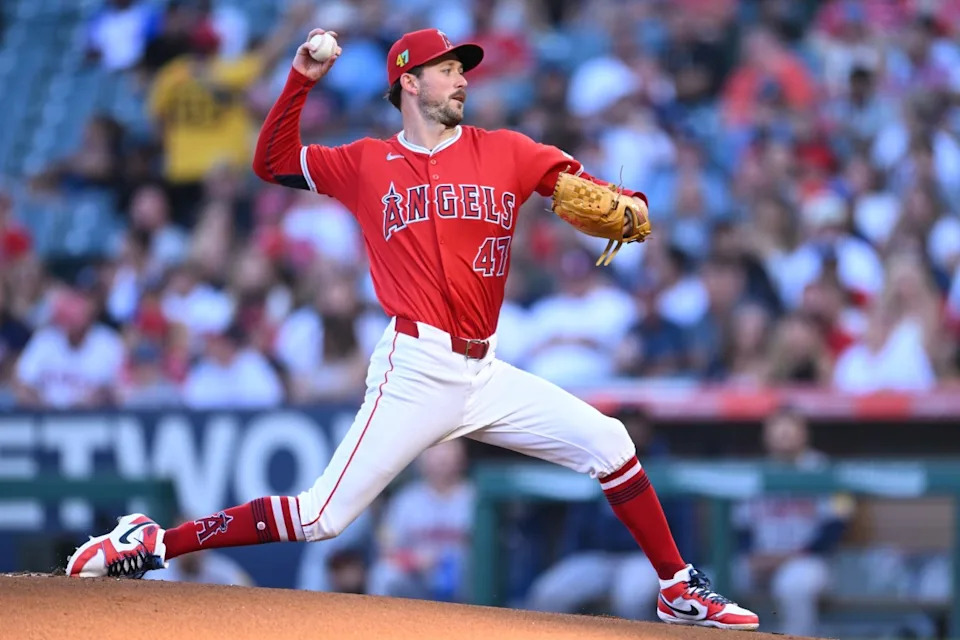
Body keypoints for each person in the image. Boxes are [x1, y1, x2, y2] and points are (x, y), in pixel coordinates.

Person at [66, 27, 758, 631]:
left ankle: (677, 591)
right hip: (415, 367)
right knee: (320, 519)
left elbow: (605, 198)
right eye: (449, 69)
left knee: (610, 442)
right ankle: (153, 541)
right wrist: (303, 77)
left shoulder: (508, 150)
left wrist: (629, 205)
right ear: (409, 81)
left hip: (484, 371)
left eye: (464, 69)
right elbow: (273, 161)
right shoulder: (366, 161)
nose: (463, 79)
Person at [732, 406, 853, 636]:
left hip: (810, 562)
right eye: (777, 427)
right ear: (766, 435)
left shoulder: (827, 470)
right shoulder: (755, 471)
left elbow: (835, 528)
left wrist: (788, 557)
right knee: (709, 584)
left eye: (790, 427)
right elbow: (741, 527)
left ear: (804, 433)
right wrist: (752, 556)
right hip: (760, 562)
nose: (784, 433)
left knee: (793, 586)